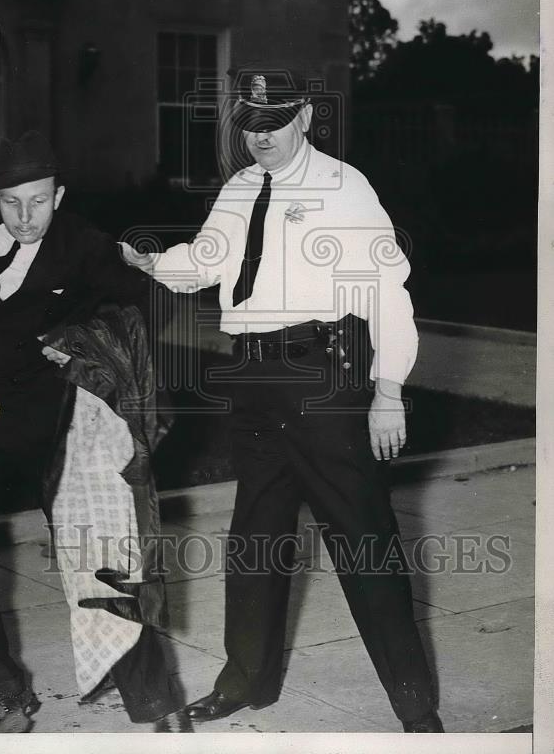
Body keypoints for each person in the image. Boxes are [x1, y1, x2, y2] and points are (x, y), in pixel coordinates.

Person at [122, 73, 444, 733]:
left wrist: (387, 390)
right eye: (247, 123)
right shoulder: (240, 189)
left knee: (363, 543)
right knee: (254, 541)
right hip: (252, 380)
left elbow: (386, 288)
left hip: (322, 376)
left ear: (302, 116)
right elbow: (208, 261)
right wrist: (152, 263)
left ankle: (416, 709)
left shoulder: (343, 186)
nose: (258, 136)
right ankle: (247, 682)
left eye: (271, 121)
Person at [0, 129, 189, 734]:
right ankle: (2, 685)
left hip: (51, 421)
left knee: (102, 544)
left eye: (39, 202)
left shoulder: (87, 247)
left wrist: (83, 342)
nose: (25, 217)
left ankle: (153, 699)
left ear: (59, 194)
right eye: (12, 201)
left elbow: (150, 302)